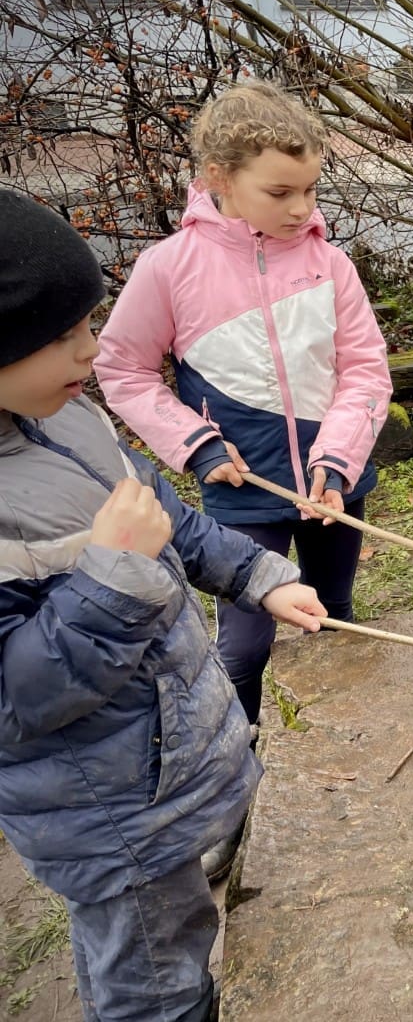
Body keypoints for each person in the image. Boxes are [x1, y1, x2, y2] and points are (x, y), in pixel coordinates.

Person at [0, 189, 326, 1021]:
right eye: (64, 334)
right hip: (105, 813)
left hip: (156, 773)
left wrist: (260, 576)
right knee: (155, 976)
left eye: (90, 322)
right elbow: (13, 699)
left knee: (170, 935)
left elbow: (166, 518)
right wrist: (113, 575)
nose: (93, 347)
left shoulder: (65, 417)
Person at [94, 82, 391, 734]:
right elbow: (123, 369)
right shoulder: (168, 269)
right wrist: (196, 445)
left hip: (334, 485)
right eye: (280, 192)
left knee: (332, 613)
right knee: (245, 644)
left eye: (310, 190)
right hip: (241, 491)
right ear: (219, 178)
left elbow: (366, 371)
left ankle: (342, 741)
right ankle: (237, 754)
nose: (301, 208)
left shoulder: (331, 265)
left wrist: (337, 460)